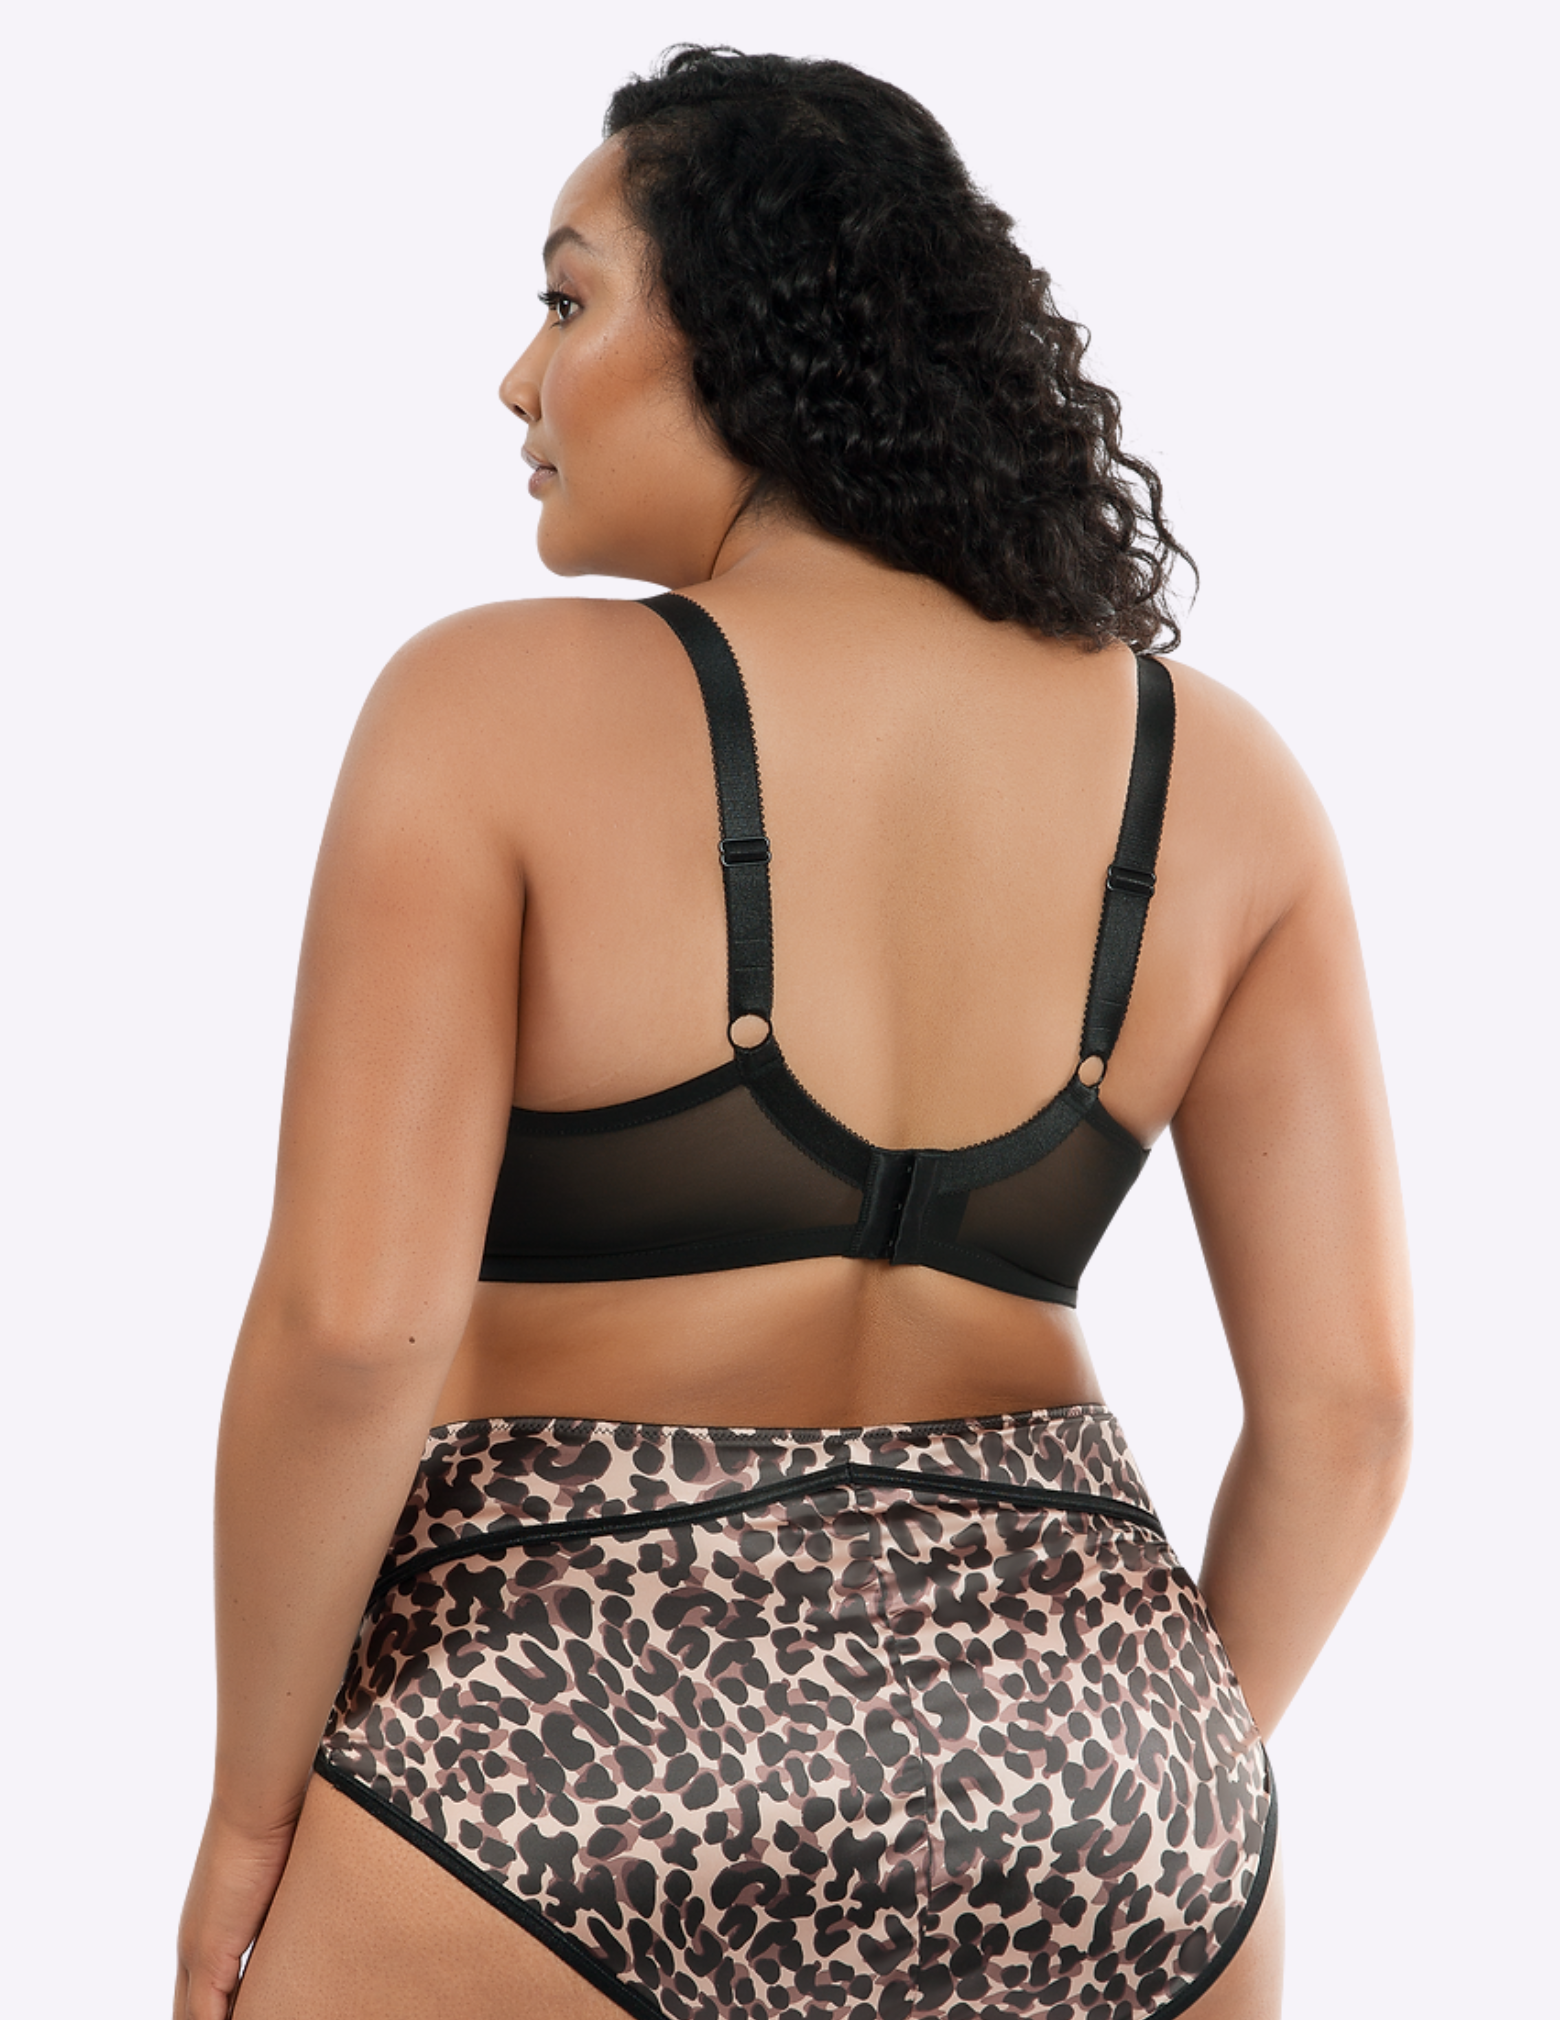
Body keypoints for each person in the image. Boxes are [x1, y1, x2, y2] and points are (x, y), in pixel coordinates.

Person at [173, 45, 1412, 2020]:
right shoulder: (1226, 775)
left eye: (567, 300)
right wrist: (1117, 1782)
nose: (518, 379)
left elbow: (353, 1333)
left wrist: (252, 1820)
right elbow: (1351, 1408)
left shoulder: (482, 710)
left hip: (551, 1741)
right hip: (1103, 1771)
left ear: (751, 336)